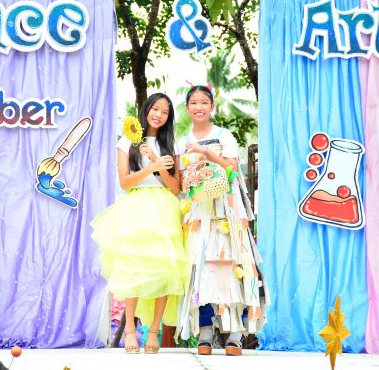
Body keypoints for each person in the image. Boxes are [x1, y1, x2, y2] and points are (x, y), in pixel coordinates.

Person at [175, 85, 270, 356]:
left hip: (227, 211)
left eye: (204, 102)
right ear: (188, 107)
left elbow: (231, 168)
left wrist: (206, 154)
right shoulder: (182, 140)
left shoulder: (223, 135)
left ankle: (235, 334)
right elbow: (181, 181)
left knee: (235, 266)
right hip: (199, 214)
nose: (199, 107)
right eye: (194, 103)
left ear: (212, 106)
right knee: (201, 269)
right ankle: (205, 332)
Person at [91, 93, 187, 354]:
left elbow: (175, 187)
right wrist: (150, 167)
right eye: (155, 109)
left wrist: (158, 164)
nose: (159, 115)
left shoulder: (171, 144)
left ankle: (154, 330)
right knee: (133, 268)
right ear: (146, 110)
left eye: (165, 112)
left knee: (165, 269)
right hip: (136, 207)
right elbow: (125, 182)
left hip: (164, 207)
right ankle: (131, 330)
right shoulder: (127, 141)